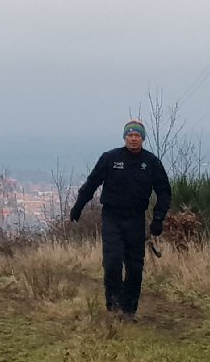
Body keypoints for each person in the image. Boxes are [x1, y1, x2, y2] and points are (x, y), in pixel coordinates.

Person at [69, 119, 171, 321]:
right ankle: (114, 307)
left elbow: (164, 191)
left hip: (136, 219)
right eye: (130, 135)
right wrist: (78, 206)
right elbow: (92, 183)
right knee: (113, 262)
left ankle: (129, 310)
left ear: (142, 138)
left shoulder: (151, 162)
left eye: (137, 135)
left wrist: (158, 218)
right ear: (124, 137)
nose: (133, 139)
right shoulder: (110, 158)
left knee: (135, 267)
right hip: (112, 218)